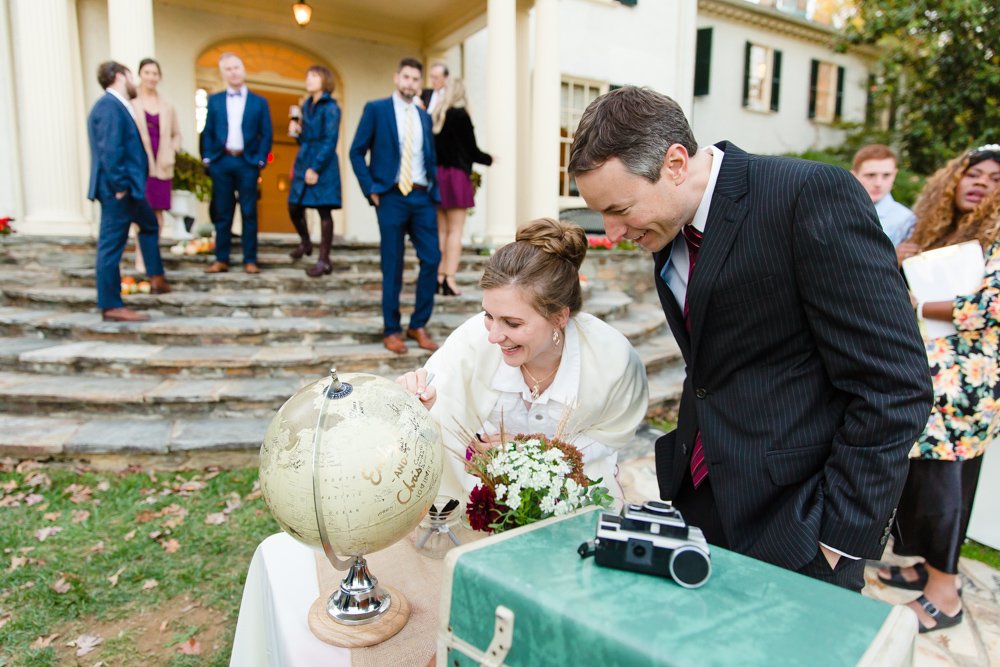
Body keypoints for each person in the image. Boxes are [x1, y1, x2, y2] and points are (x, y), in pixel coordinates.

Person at [568, 86, 932, 592]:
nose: (610, 232)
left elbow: (895, 384)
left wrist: (837, 538)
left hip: (799, 527)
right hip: (701, 503)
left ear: (676, 162)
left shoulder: (807, 195)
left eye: (619, 207)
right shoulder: (666, 224)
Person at [397, 218, 648, 506]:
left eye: (512, 323)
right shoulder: (472, 339)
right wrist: (418, 404)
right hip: (487, 495)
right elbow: (440, 404)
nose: (493, 336)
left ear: (559, 317)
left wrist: (538, 452)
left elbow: (612, 433)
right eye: (488, 315)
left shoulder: (612, 358)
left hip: (578, 493)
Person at [876, 144, 1000, 633]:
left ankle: (944, 593)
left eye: (994, 180)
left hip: (966, 382)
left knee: (946, 484)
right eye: (974, 174)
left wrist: (918, 303)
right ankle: (925, 566)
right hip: (925, 373)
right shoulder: (942, 228)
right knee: (922, 479)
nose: (981, 184)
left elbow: (990, 308)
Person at [349, 57, 441, 355]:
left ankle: (418, 324)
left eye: (416, 79)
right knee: (393, 264)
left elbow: (429, 156)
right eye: (406, 77)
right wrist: (371, 189)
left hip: (421, 195)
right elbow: (356, 152)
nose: (410, 83)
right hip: (390, 196)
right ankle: (391, 329)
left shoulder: (423, 116)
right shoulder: (376, 109)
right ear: (396, 77)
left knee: (432, 258)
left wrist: (434, 189)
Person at [86, 61, 171, 322]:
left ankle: (156, 277)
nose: (135, 82)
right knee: (111, 246)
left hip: (131, 189)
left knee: (149, 225)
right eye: (132, 76)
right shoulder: (109, 106)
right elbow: (110, 151)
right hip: (118, 190)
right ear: (120, 77)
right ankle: (111, 305)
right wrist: (121, 187)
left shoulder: (120, 106)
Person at [201, 53, 273, 275]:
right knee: (222, 212)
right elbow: (208, 131)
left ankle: (250, 259)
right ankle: (221, 258)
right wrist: (208, 158)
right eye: (228, 69)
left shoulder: (259, 102)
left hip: (247, 161)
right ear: (223, 74)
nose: (233, 72)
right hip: (221, 160)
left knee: (249, 211)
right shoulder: (214, 100)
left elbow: (266, 133)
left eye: (236, 67)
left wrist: (260, 159)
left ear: (243, 70)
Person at [432, 78, 492, 297]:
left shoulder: (436, 117)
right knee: (455, 231)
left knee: (441, 231)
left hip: (438, 177)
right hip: (456, 176)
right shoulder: (461, 116)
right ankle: (449, 278)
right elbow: (473, 151)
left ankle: (437, 277)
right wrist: (490, 159)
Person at [287, 64, 342, 278]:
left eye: (314, 76)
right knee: (294, 206)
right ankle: (306, 242)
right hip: (304, 159)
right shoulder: (306, 105)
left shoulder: (331, 107)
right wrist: (298, 133)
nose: (308, 79)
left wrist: (316, 168)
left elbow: (330, 140)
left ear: (325, 80)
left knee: (323, 210)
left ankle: (324, 259)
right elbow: (307, 139)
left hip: (323, 163)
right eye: (307, 75)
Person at [132, 57, 182, 250]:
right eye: (147, 73)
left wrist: (171, 151)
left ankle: (154, 253)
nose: (151, 77)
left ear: (159, 77)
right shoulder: (132, 101)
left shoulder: (167, 105)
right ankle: (140, 253)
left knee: (158, 211)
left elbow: (177, 134)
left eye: (155, 73)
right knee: (140, 211)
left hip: (162, 164)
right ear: (140, 75)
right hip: (141, 164)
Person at [850, 144, 916, 248]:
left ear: (894, 175)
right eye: (870, 175)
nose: (878, 183)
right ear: (853, 176)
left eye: (886, 175)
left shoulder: (905, 219)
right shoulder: (835, 209)